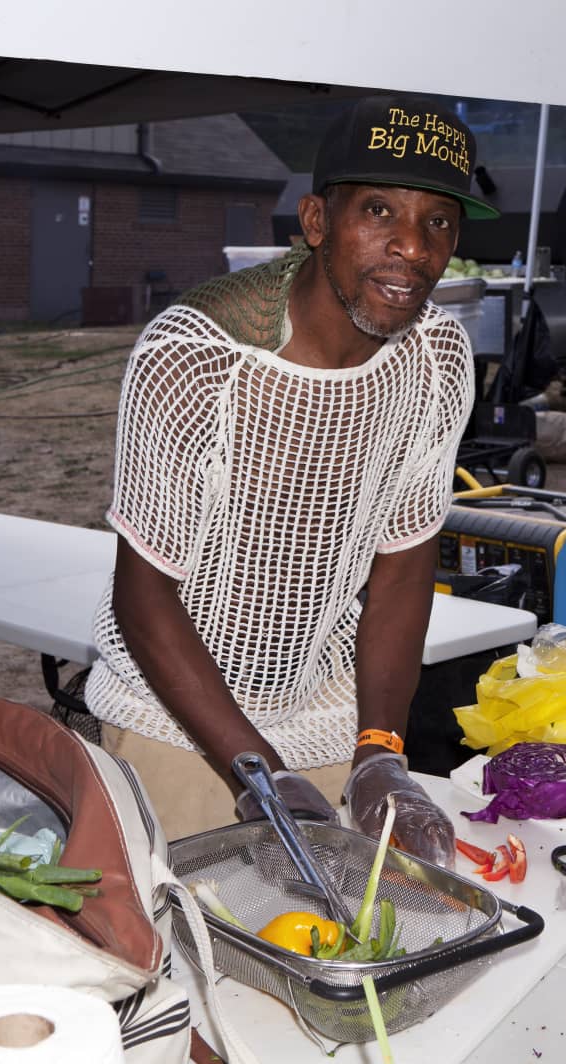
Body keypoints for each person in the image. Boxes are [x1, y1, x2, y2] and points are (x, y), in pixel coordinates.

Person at [84, 94, 498, 869]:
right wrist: (259, 771)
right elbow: (143, 596)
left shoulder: (437, 357)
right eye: (379, 210)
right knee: (205, 960)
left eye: (439, 222)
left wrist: (380, 753)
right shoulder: (198, 356)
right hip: (177, 724)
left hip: (333, 715)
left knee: (351, 947)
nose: (412, 247)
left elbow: (404, 564)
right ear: (315, 222)